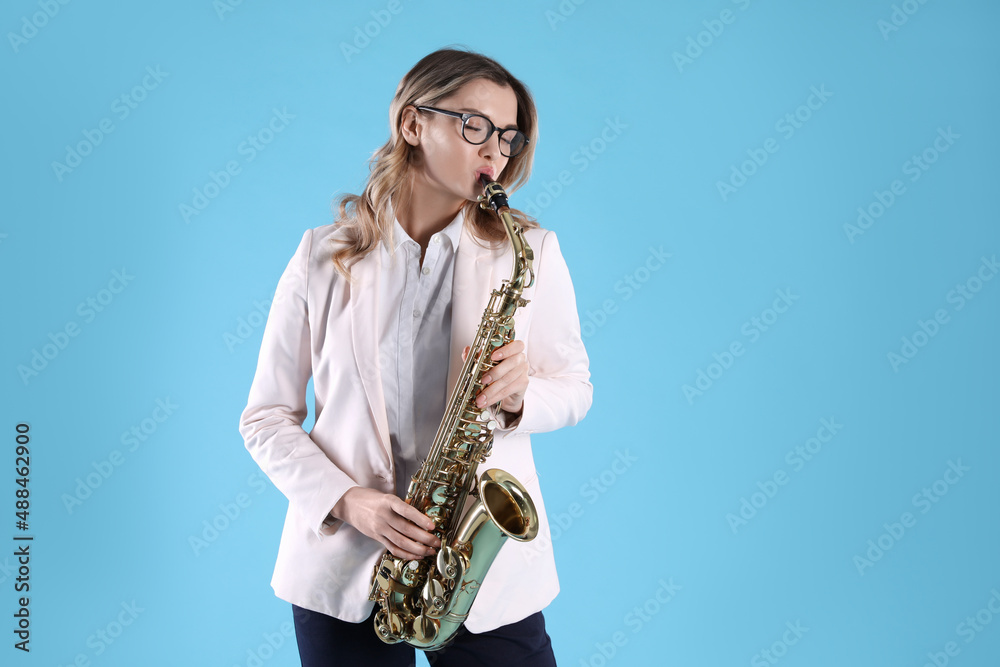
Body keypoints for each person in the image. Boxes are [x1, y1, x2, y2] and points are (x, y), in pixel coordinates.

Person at [239, 47, 592, 667]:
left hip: (480, 571)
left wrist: (521, 397)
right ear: (413, 124)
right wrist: (349, 501)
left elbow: (575, 387)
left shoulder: (530, 252)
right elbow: (264, 418)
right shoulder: (322, 256)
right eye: (473, 125)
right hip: (345, 564)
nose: (495, 152)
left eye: (508, 137)